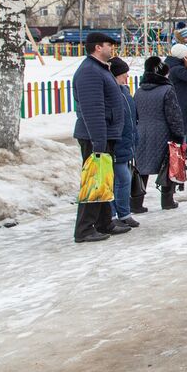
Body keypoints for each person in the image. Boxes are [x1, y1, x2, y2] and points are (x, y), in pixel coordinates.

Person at [72, 31, 129, 242]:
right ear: (98, 47)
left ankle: (104, 222)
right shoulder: (89, 72)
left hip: (104, 136)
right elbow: (92, 110)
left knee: (103, 180)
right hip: (95, 137)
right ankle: (85, 229)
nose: (111, 49)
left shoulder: (99, 69)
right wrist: (98, 141)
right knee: (93, 181)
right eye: (109, 45)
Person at [134, 56, 186, 211]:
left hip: (142, 133)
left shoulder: (138, 92)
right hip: (163, 133)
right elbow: (173, 115)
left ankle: (136, 203)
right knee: (167, 166)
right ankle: (167, 201)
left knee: (141, 168)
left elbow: (135, 114)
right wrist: (178, 135)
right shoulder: (167, 90)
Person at [109, 56, 140, 228]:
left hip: (126, 143)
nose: (127, 77)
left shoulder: (125, 93)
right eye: (124, 74)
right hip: (117, 144)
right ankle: (115, 213)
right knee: (121, 180)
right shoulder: (115, 94)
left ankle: (123, 213)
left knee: (123, 180)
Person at [165, 42, 187, 160]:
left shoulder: (172, 66)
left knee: (184, 130)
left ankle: (183, 154)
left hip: (180, 102)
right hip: (181, 104)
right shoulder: (177, 69)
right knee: (183, 131)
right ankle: (180, 158)